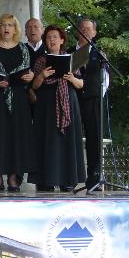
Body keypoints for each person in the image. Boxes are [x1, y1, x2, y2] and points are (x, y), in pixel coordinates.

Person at [0, 14, 35, 192]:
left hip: (18, 98)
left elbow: (31, 70)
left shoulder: (24, 49)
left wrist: (31, 76)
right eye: (3, 24)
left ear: (15, 29)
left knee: (16, 137)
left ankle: (14, 178)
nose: (6, 28)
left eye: (10, 25)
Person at [31, 25, 86, 192]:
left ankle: (67, 180)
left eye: (55, 37)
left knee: (67, 142)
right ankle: (46, 180)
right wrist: (42, 75)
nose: (52, 40)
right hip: (46, 105)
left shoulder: (72, 59)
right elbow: (34, 86)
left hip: (68, 102)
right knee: (47, 142)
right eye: (48, 37)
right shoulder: (41, 60)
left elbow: (81, 84)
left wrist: (71, 78)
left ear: (62, 40)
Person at [75, 18, 107, 190]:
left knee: (94, 138)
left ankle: (94, 177)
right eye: (82, 28)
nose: (85, 31)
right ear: (77, 31)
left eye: (89, 29)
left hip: (93, 99)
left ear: (94, 33)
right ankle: (70, 178)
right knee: (71, 136)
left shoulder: (99, 53)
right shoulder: (69, 51)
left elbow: (104, 79)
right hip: (73, 99)